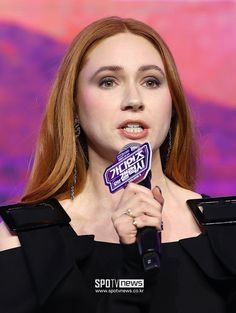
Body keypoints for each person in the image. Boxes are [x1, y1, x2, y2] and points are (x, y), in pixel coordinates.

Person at [0, 16, 235, 313]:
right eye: (108, 81)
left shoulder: (229, 230)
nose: (134, 100)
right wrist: (131, 272)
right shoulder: (23, 244)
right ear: (73, 106)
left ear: (172, 102)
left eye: (151, 81)